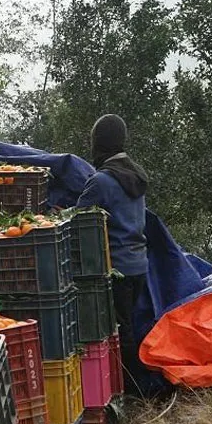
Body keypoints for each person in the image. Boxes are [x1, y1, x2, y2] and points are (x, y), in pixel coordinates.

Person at [76, 114, 153, 395]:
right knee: (130, 326)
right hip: (139, 265)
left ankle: (133, 391)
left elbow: (77, 220)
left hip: (116, 268)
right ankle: (136, 385)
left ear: (100, 143)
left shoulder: (102, 181)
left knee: (121, 332)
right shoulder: (136, 175)